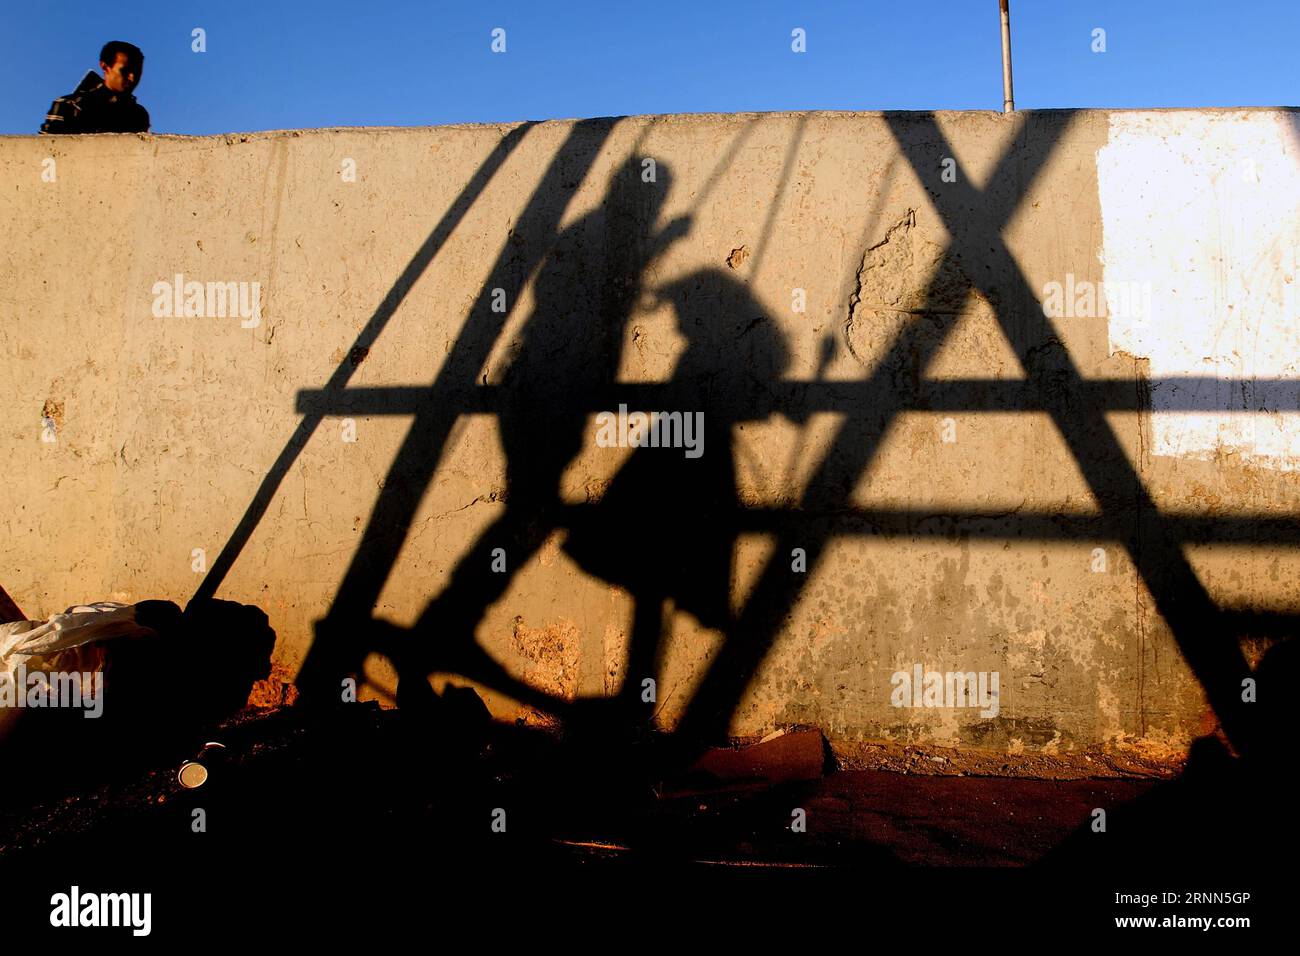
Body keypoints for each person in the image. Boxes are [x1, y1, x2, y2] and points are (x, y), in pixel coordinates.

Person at [41, 41, 149, 134]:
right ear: (105, 67)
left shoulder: (138, 115)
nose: (132, 77)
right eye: (125, 71)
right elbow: (47, 152)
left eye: (137, 71)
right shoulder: (70, 105)